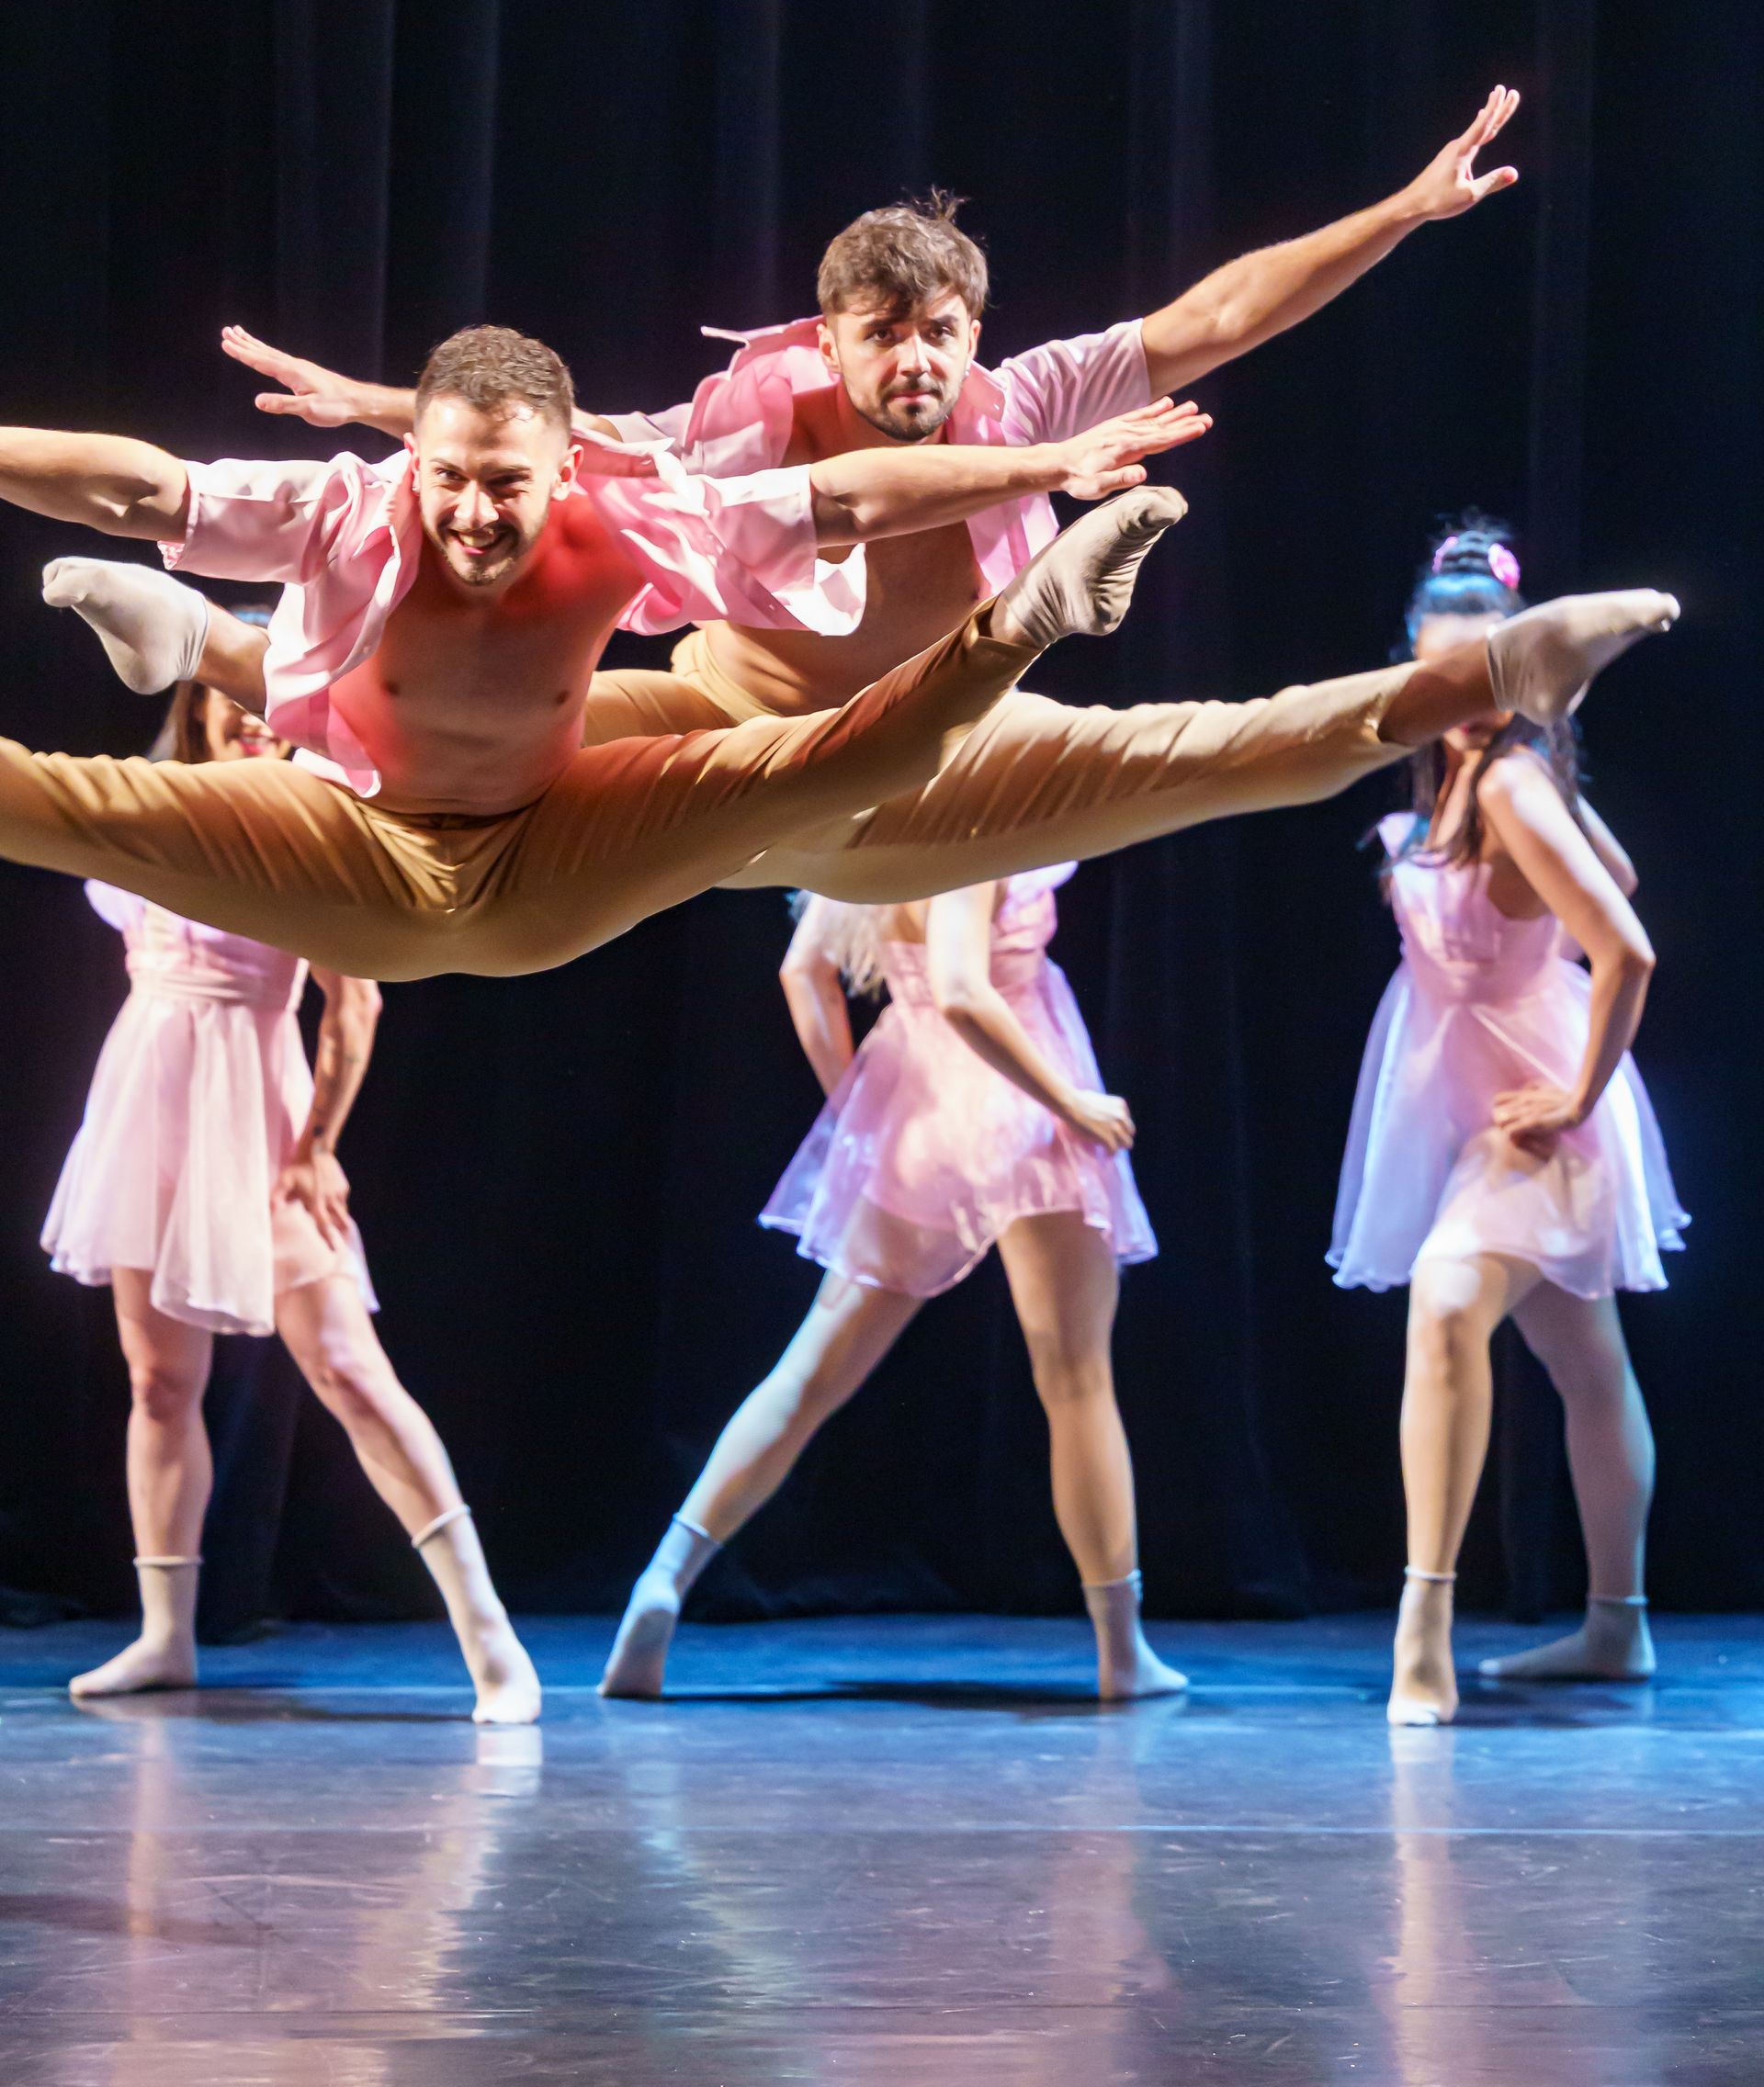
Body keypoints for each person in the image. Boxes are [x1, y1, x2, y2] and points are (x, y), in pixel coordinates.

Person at [47, 95, 1686, 897]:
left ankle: (1495, 671)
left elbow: (1219, 317)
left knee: (1219, 755)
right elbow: (565, 440)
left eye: (944, 329)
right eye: (887, 330)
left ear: (976, 331)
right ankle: (199, 638)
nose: (919, 357)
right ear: (828, 331)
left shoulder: (1026, 396)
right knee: (446, 742)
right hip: (719, 736)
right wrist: (391, 409)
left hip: (931, 781)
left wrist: (1400, 210)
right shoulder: (751, 412)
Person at [0, 324, 1204, 981]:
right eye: (450, 482)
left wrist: (1046, 469)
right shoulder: (346, 506)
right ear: (413, 461)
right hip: (363, 831)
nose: (474, 516)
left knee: (840, 760)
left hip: (555, 834)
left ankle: (1034, 618)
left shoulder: (631, 518)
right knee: (73, 807)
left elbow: (842, 498)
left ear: (565, 470)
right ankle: (200, 637)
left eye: (508, 486)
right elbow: (137, 489)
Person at [45, 648, 541, 1720]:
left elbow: (354, 1009)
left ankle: (489, 1636)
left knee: (352, 1373)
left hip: (254, 1117)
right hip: (147, 1109)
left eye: (265, 710)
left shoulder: (314, 828)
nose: (249, 726)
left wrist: (314, 1148)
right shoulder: (159, 817)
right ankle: (166, 1636)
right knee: (157, 1383)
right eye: (228, 709)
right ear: (198, 716)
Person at [600, 867, 1184, 1702]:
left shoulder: (877, 823)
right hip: (1021, 1104)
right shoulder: (971, 823)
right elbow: (960, 990)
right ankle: (1122, 1653)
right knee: (1077, 1379)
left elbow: (802, 972)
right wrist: (1072, 1101)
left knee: (807, 1376)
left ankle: (664, 1577)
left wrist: (857, 1113)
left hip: (917, 1112)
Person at [1328, 527, 1686, 1727]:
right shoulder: (1470, 774)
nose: (1467, 707)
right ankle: (1615, 1630)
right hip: (1471, 1090)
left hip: (1534, 1108)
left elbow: (1626, 949)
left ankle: (1421, 1627)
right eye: (1448, 681)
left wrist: (1579, 1096)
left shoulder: (1515, 781)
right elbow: (1616, 882)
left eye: (1490, 680)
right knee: (1587, 1365)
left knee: (1446, 1303)